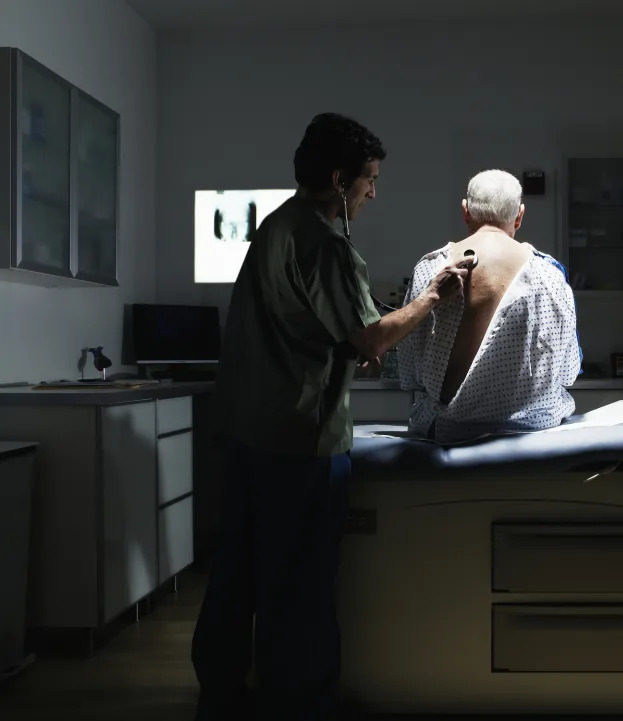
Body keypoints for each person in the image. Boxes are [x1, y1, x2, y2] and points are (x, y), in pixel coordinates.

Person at [191, 112, 468, 721]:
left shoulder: (275, 228)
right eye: (370, 179)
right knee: (298, 589)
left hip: (241, 434)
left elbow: (301, 325)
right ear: (341, 180)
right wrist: (431, 298)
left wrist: (344, 343)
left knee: (234, 576)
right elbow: (369, 339)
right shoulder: (328, 244)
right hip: (298, 444)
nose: (375, 191)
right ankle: (300, 704)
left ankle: (221, 699)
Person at [398, 169, 582, 443]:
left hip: (448, 432)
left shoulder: (431, 269)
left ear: (465, 211)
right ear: (519, 215)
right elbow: (568, 372)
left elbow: (409, 370)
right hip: (532, 431)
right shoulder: (549, 274)